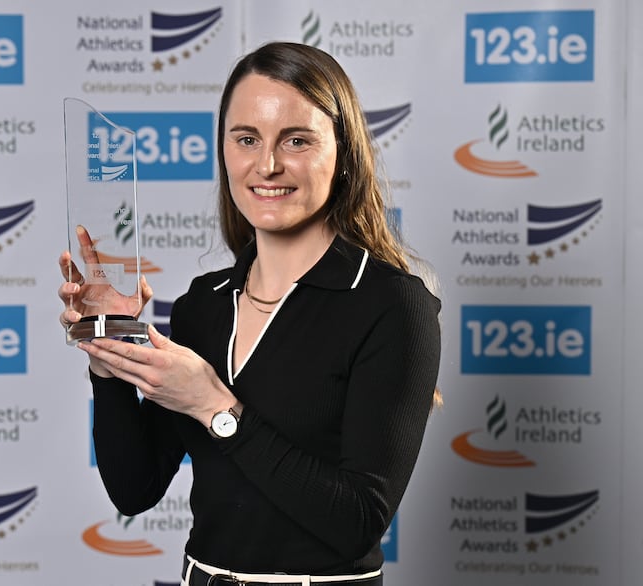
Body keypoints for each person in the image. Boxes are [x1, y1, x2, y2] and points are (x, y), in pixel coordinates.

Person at [58, 41, 441, 586]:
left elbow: (358, 521)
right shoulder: (202, 305)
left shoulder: (392, 305)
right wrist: (109, 354)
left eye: (297, 140)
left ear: (344, 153)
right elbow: (134, 489)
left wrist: (215, 406)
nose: (267, 164)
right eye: (246, 139)